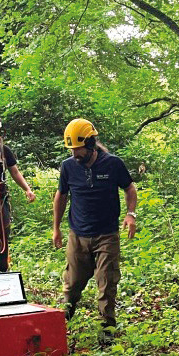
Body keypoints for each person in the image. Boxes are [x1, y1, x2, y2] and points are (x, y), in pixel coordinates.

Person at [52, 118, 137, 343]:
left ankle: (106, 329)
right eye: (71, 150)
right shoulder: (68, 166)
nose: (74, 154)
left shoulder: (113, 164)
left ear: (90, 144)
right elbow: (61, 196)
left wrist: (131, 214)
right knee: (72, 283)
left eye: (78, 149)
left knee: (106, 282)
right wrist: (56, 229)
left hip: (106, 235)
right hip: (77, 235)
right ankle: (64, 320)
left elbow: (129, 188)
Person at [0, 114, 36, 272]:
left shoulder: (4, 151)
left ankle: (3, 269)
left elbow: (15, 172)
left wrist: (27, 189)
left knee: (3, 234)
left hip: (0, 199)